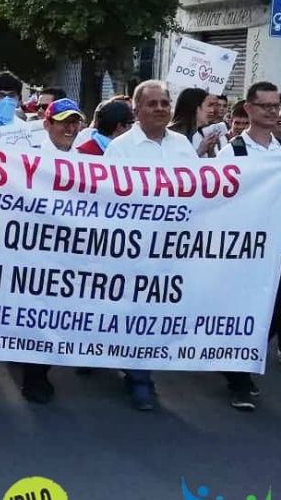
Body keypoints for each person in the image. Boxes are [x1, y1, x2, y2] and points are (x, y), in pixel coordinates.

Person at [105, 80, 196, 411]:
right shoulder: (121, 148)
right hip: (134, 247)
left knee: (157, 311)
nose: (160, 108)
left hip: (173, 246)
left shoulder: (183, 145)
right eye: (152, 103)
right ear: (137, 109)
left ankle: (131, 362)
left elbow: (199, 190)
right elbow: (109, 197)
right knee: (137, 310)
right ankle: (139, 379)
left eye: (164, 103)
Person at [218, 81, 281, 386]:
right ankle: (238, 376)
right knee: (243, 307)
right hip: (244, 244)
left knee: (279, 309)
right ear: (249, 108)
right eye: (267, 106)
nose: (274, 112)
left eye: (277, 106)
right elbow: (219, 200)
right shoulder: (233, 151)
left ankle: (239, 366)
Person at [19, 98, 86, 404]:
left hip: (71, 250)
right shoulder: (27, 158)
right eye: (64, 122)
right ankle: (34, 376)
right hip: (35, 249)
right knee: (37, 312)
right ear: (47, 125)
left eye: (75, 122)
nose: (70, 128)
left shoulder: (88, 163)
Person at [0, 70, 46, 147]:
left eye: (11, 95)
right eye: (1, 95)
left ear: (18, 99)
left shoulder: (25, 130)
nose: (6, 100)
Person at [168, 87, 221, 157]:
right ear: (196, 108)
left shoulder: (201, 134)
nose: (212, 110)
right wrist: (200, 151)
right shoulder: (170, 135)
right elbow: (171, 164)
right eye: (209, 105)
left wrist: (210, 150)